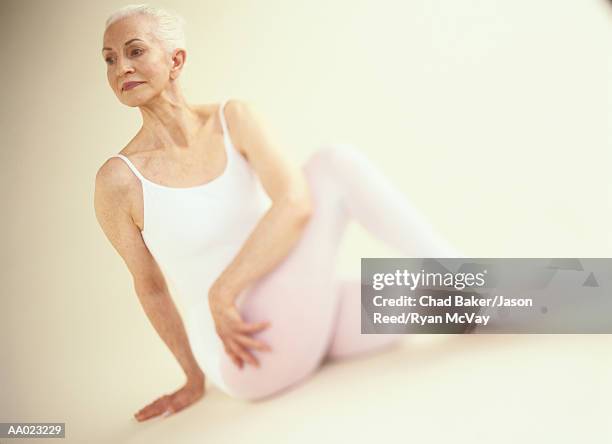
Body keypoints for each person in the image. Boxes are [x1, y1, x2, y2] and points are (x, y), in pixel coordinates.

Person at [94, 4, 462, 422]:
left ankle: (516, 292)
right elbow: (151, 288)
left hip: (301, 315)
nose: (121, 67)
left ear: (176, 60)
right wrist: (193, 377)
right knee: (332, 165)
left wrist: (223, 289)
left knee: (451, 299)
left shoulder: (233, 119)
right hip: (247, 350)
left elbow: (293, 205)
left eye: (134, 51)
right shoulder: (118, 182)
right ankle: (464, 274)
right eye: (109, 59)